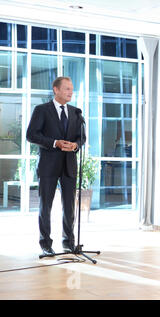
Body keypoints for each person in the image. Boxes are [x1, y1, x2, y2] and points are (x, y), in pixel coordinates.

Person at [26, 76, 85, 257]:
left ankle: (69, 242)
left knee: (69, 207)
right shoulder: (42, 110)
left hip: (69, 165)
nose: (70, 92)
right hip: (48, 166)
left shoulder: (76, 112)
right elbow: (31, 135)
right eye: (66, 88)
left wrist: (75, 145)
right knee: (46, 207)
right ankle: (46, 244)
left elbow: (81, 137)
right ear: (56, 89)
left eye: (71, 89)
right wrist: (54, 143)